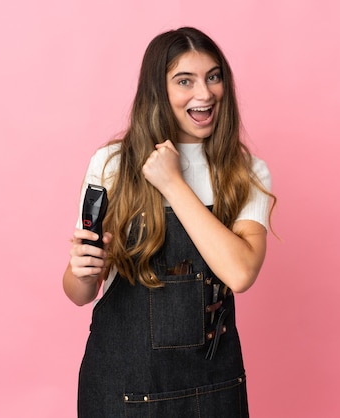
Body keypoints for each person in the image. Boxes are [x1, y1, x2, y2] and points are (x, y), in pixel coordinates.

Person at [62, 26, 275, 417]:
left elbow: (241, 273)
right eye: (184, 81)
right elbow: (79, 292)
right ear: (157, 91)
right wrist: (80, 270)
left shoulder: (246, 172)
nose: (205, 93)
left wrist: (173, 184)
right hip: (124, 390)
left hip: (214, 390)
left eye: (213, 76)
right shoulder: (111, 165)